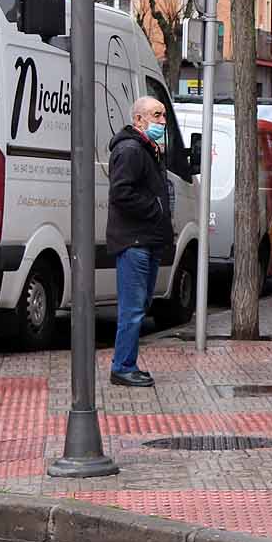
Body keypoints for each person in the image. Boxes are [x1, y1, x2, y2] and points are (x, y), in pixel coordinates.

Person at [107, 95, 175, 388]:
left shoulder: (147, 149)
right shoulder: (131, 150)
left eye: (163, 116)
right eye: (157, 115)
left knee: (140, 305)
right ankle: (122, 367)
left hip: (147, 240)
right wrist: (156, 209)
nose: (162, 121)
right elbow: (121, 193)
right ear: (139, 119)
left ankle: (127, 363)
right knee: (133, 308)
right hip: (134, 241)